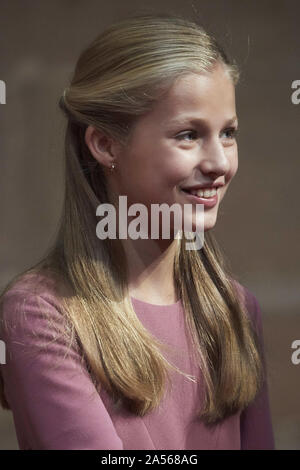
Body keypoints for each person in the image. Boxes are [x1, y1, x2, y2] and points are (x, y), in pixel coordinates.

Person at [0, 13, 275, 450]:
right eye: (188, 135)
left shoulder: (236, 308)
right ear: (105, 144)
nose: (220, 163)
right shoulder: (41, 315)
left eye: (228, 133)